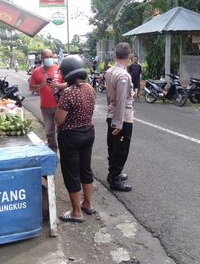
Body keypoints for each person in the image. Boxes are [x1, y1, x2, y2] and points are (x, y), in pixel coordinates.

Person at [55, 55, 96, 223]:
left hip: (70, 137)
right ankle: (88, 203)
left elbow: (59, 120)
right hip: (88, 133)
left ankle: (76, 212)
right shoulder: (90, 89)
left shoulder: (68, 93)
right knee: (85, 170)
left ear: (66, 73)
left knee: (72, 174)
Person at [104, 43, 134, 192]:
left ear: (115, 55)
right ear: (129, 57)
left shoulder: (109, 71)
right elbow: (121, 99)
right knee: (121, 149)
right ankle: (115, 179)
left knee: (113, 147)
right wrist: (118, 123)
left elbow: (109, 96)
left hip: (112, 114)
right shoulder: (123, 75)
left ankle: (113, 174)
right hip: (122, 118)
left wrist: (112, 118)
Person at [29, 49, 67, 151]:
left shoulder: (59, 69)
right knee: (49, 131)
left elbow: (68, 84)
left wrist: (58, 85)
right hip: (45, 107)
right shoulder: (36, 72)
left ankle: (64, 150)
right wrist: (40, 86)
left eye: (51, 57)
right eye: (47, 57)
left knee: (62, 129)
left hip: (60, 106)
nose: (49, 59)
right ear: (42, 58)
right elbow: (31, 87)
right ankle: (53, 150)